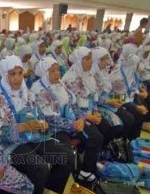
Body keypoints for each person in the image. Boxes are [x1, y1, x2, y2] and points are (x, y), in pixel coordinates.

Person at [0, 55, 75, 194]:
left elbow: (37, 113)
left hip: (33, 136)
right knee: (39, 168)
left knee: (67, 156)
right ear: (5, 75)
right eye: (12, 74)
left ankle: (43, 189)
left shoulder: (26, 91)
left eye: (20, 73)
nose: (18, 79)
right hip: (10, 144)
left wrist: (41, 122)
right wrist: (21, 128)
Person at [32, 57, 104, 186]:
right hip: (54, 129)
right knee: (67, 157)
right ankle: (50, 187)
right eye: (52, 71)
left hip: (72, 122)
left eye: (58, 70)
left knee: (96, 136)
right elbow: (49, 118)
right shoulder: (38, 90)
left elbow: (73, 103)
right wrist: (73, 124)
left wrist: (81, 119)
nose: (57, 73)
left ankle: (85, 170)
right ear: (44, 73)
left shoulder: (60, 84)